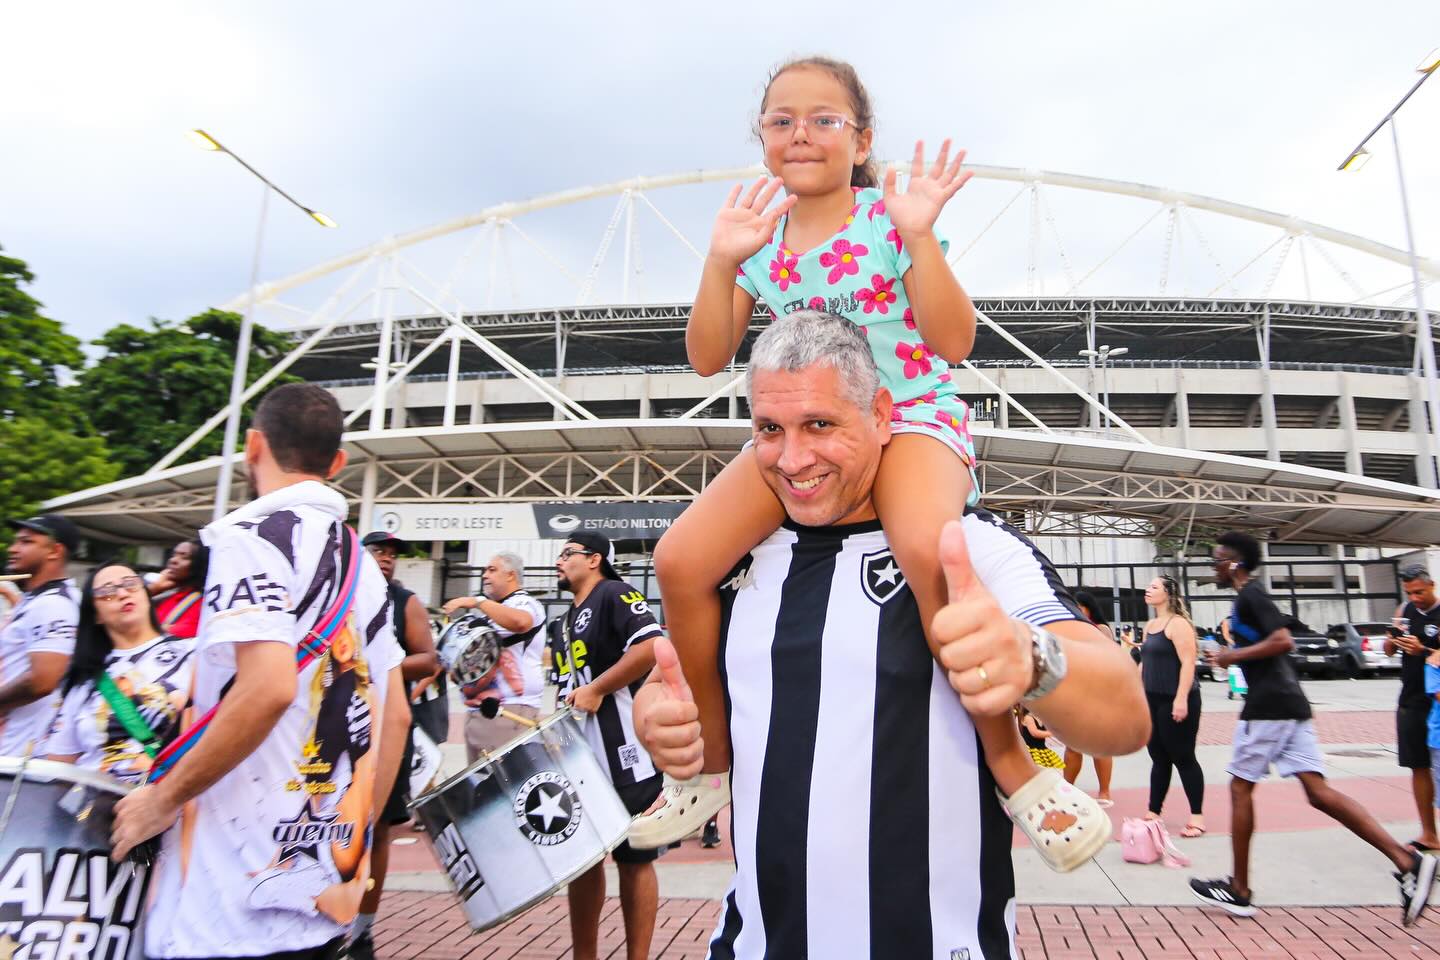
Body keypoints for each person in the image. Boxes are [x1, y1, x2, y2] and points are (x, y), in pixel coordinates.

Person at [644, 54, 1107, 871]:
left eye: (825, 119)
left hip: (912, 416)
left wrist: (920, 235)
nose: (801, 134)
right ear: (761, 138)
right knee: (680, 559)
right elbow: (709, 357)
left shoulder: (889, 218)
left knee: (931, 552)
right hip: (812, 430)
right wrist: (720, 260)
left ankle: (1014, 767)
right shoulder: (762, 239)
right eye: (781, 119)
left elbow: (953, 342)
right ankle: (709, 767)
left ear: (861, 140)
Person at [633, 311, 1148, 957]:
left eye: (820, 424)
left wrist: (1031, 660)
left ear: (881, 415)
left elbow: (1125, 719)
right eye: (770, 430)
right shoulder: (733, 564)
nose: (793, 459)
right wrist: (662, 723)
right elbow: (674, 684)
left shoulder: (971, 550)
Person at [110, 382, 411, 960]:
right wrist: (352, 837)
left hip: (226, 902)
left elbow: (268, 686)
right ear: (338, 463)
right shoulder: (366, 570)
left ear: (253, 447)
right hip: (320, 888)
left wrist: (162, 798)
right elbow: (394, 715)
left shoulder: (250, 539)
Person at [1191, 531, 1435, 926]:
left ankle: (1240, 890)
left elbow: (1283, 640)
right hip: (1291, 704)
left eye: (1217, 560)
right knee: (1318, 793)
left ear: (1233, 564)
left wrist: (1232, 655)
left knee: (1240, 787)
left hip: (1270, 707)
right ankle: (1406, 861)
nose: (1213, 567)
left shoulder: (1251, 594)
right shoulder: (1247, 597)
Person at [552, 530, 663, 960]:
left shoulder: (616, 594)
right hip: (580, 759)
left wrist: (598, 688)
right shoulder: (562, 620)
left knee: (635, 859)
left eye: (568, 553)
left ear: (594, 558)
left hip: (627, 756)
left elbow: (653, 645)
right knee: (582, 862)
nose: (560, 561)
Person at [347, 531, 440, 960]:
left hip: (386, 725)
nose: (386, 559)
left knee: (378, 829)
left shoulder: (405, 602)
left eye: (392, 554)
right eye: (378, 550)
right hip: (333, 729)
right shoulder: (338, 593)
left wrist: (380, 663)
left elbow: (428, 659)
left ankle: (363, 929)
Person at [45, 562, 196, 783]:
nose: (122, 593)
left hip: (171, 803)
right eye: (106, 592)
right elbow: (59, 768)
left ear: (146, 594)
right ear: (95, 615)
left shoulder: (195, 653)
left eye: (131, 584)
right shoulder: (85, 681)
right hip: (95, 808)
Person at [442, 551, 547, 760]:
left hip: (509, 710)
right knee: (482, 787)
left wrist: (477, 602)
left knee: (501, 784)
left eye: (492, 570)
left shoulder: (523, 602)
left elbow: (521, 622)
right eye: (484, 571)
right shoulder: (497, 609)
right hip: (484, 710)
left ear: (511, 575)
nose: (484, 575)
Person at [1, 514, 81, 757]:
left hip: (22, 755)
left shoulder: (55, 604)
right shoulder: (37, 599)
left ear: (54, 551)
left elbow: (42, 681)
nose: (13, 549)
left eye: (26, 542)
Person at [1141, 575, 1205, 838]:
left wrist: (1180, 700)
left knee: (1183, 756)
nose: (1148, 589)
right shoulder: (1150, 624)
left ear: (1167, 593)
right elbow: (1144, 664)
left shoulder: (1178, 625)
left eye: (1154, 587)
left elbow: (1188, 663)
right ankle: (1154, 811)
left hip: (1176, 698)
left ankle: (1197, 816)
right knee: (1158, 756)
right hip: (1152, 698)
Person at [1389, 565, 1440, 853]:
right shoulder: (1404, 609)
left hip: (1437, 702)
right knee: (1417, 766)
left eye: (1420, 591)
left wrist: (1423, 650)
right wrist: (1393, 640)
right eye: (1410, 593)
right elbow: (1388, 650)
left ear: (1432, 584)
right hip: (1410, 700)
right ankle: (1429, 834)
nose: (1415, 598)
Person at [1063, 591, 1115, 806]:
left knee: (1098, 744)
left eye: (1079, 607)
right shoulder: (1070, 628)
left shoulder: (1100, 630)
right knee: (1072, 745)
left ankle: (1104, 791)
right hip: (1075, 692)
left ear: (1089, 607)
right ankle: (1067, 787)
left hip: (1097, 692)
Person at [147, 538, 209, 639]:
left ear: (200, 563)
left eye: (184, 557)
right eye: (174, 555)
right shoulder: (166, 594)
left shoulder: (203, 604)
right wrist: (154, 588)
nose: (173, 560)